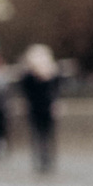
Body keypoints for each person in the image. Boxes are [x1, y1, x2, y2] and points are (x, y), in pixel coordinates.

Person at [18, 45, 60, 174]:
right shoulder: (29, 77)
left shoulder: (51, 76)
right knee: (37, 136)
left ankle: (47, 159)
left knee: (48, 136)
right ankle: (40, 159)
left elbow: (56, 89)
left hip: (47, 110)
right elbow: (24, 89)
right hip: (35, 110)